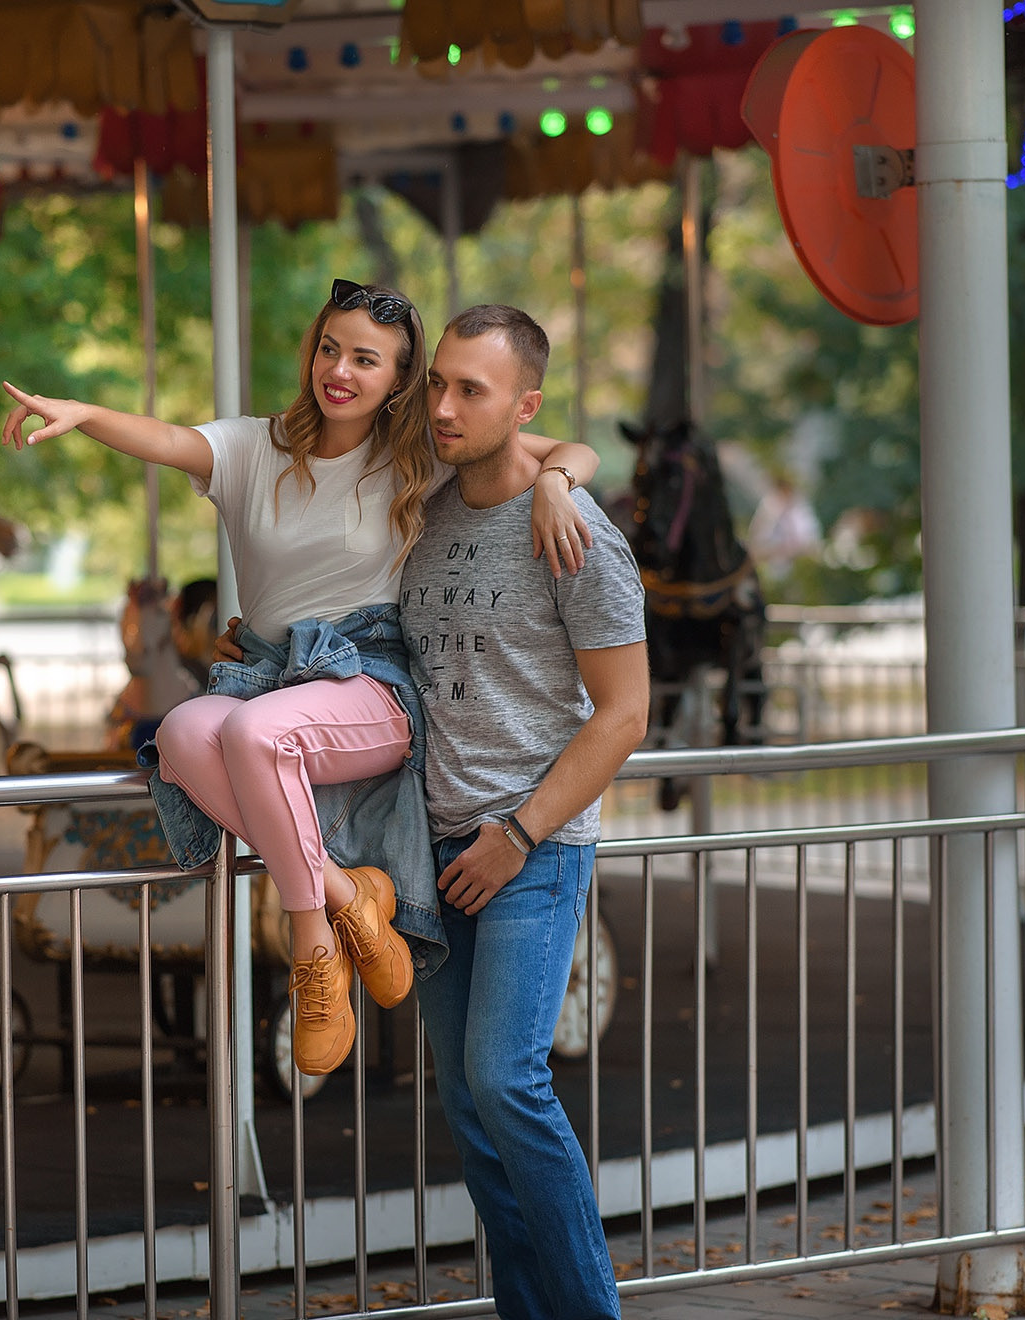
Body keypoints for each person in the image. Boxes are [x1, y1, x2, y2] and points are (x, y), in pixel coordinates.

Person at [0, 279, 601, 1075]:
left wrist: (558, 485)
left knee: (251, 730)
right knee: (181, 732)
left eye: (366, 359)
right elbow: (167, 438)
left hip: (373, 677)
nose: (340, 370)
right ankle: (348, 897)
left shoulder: (414, 451)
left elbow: (561, 449)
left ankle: (313, 948)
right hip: (273, 680)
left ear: (398, 381)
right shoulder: (258, 448)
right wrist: (82, 415)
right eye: (330, 348)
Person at [403, 304, 647, 1319]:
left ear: (526, 407)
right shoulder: (420, 512)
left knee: (507, 1084)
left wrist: (517, 834)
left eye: (473, 389)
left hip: (529, 846)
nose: (445, 406)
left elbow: (626, 713)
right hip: (435, 848)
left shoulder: (575, 529)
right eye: (438, 384)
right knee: (468, 1108)